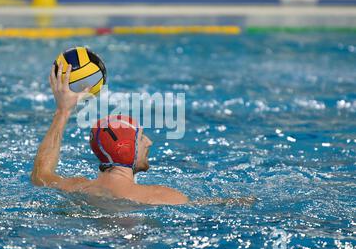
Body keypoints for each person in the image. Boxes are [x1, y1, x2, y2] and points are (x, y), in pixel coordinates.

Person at [31, 62, 255, 206]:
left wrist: (63, 110)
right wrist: (238, 201)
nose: (149, 141)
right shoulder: (160, 196)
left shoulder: (75, 187)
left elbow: (41, 172)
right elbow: (204, 206)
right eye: (140, 137)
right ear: (125, 148)